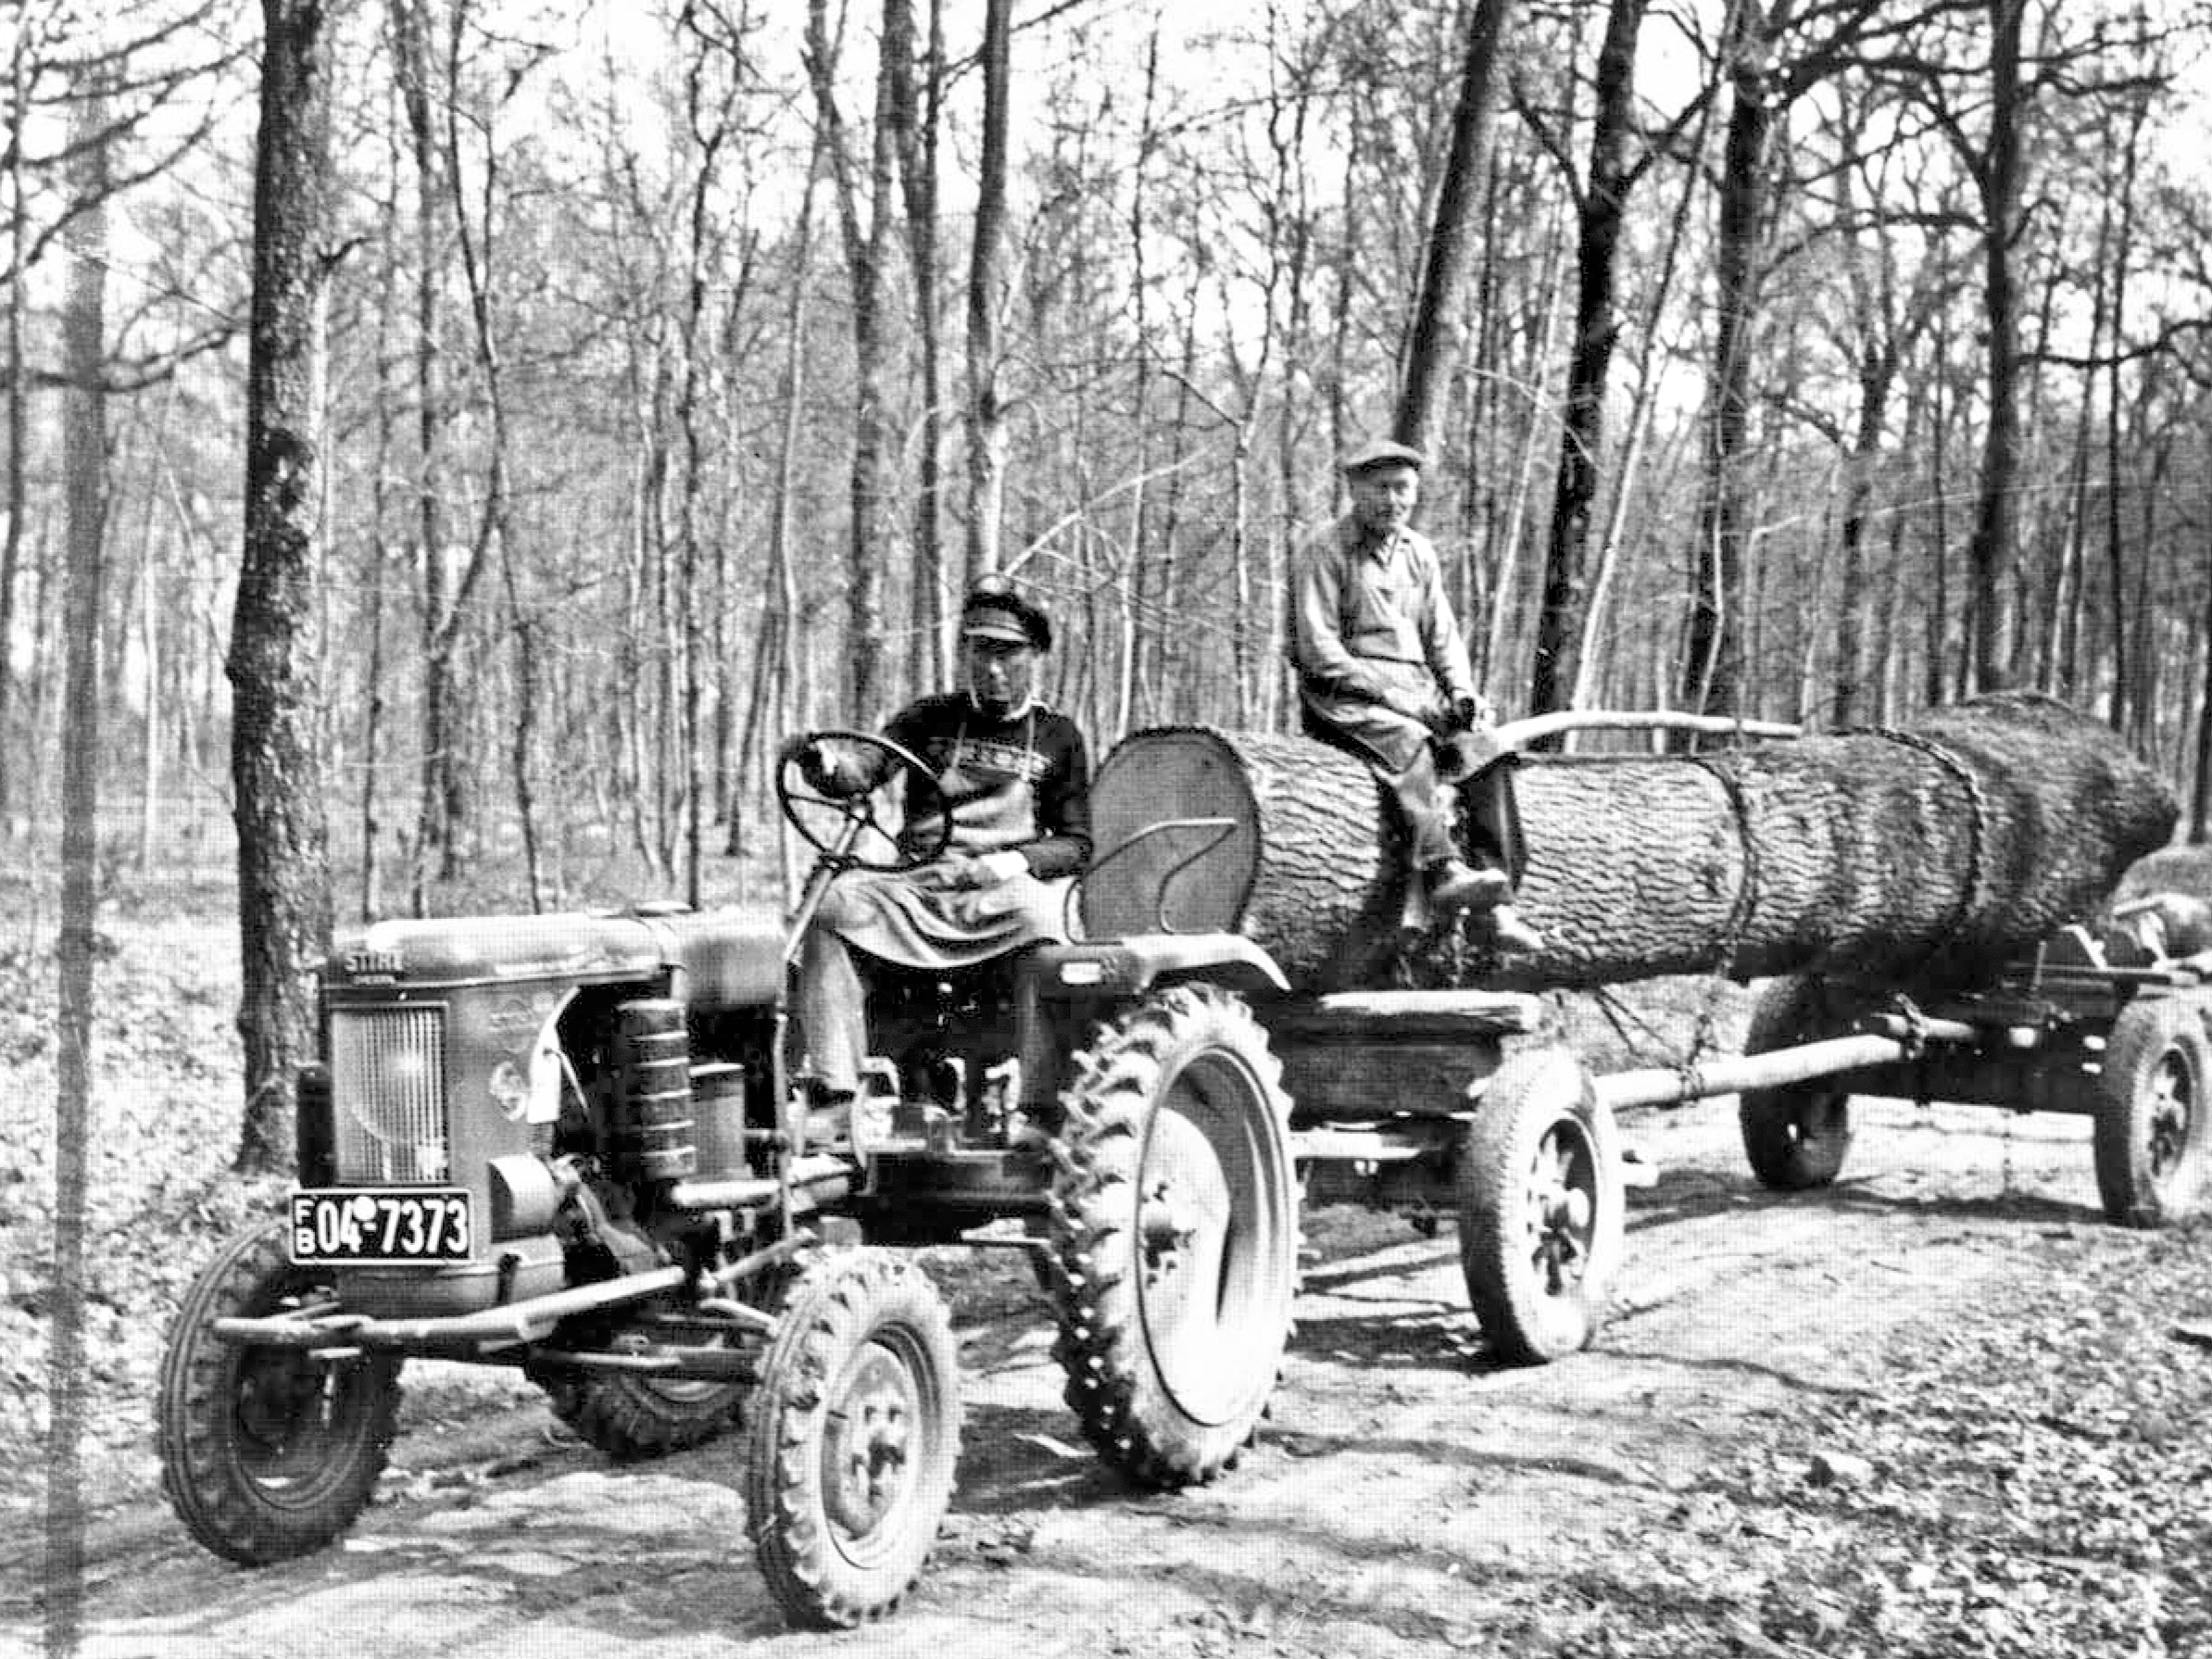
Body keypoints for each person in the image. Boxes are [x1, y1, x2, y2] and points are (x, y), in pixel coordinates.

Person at [786, 577, 1091, 1130]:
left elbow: (1075, 843)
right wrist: (823, 764)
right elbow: (863, 771)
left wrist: (1015, 861)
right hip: (919, 882)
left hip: (1000, 890)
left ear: (1035, 657)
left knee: (1043, 926)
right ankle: (835, 1095)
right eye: (979, 651)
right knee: (835, 911)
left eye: (1007, 654)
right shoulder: (927, 719)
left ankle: (1037, 1106)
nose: (992, 668)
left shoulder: (1057, 737)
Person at [1288, 436, 1540, 952]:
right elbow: (1317, 650)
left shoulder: (1419, 554)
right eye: (1380, 489)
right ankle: (1442, 868)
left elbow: (1442, 635)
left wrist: (1463, 693)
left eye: (1403, 489)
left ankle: (1497, 903)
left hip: (1417, 690)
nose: (1393, 501)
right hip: (1343, 699)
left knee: (1486, 749)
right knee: (1409, 741)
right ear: (1355, 490)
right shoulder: (1324, 550)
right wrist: (1390, 696)